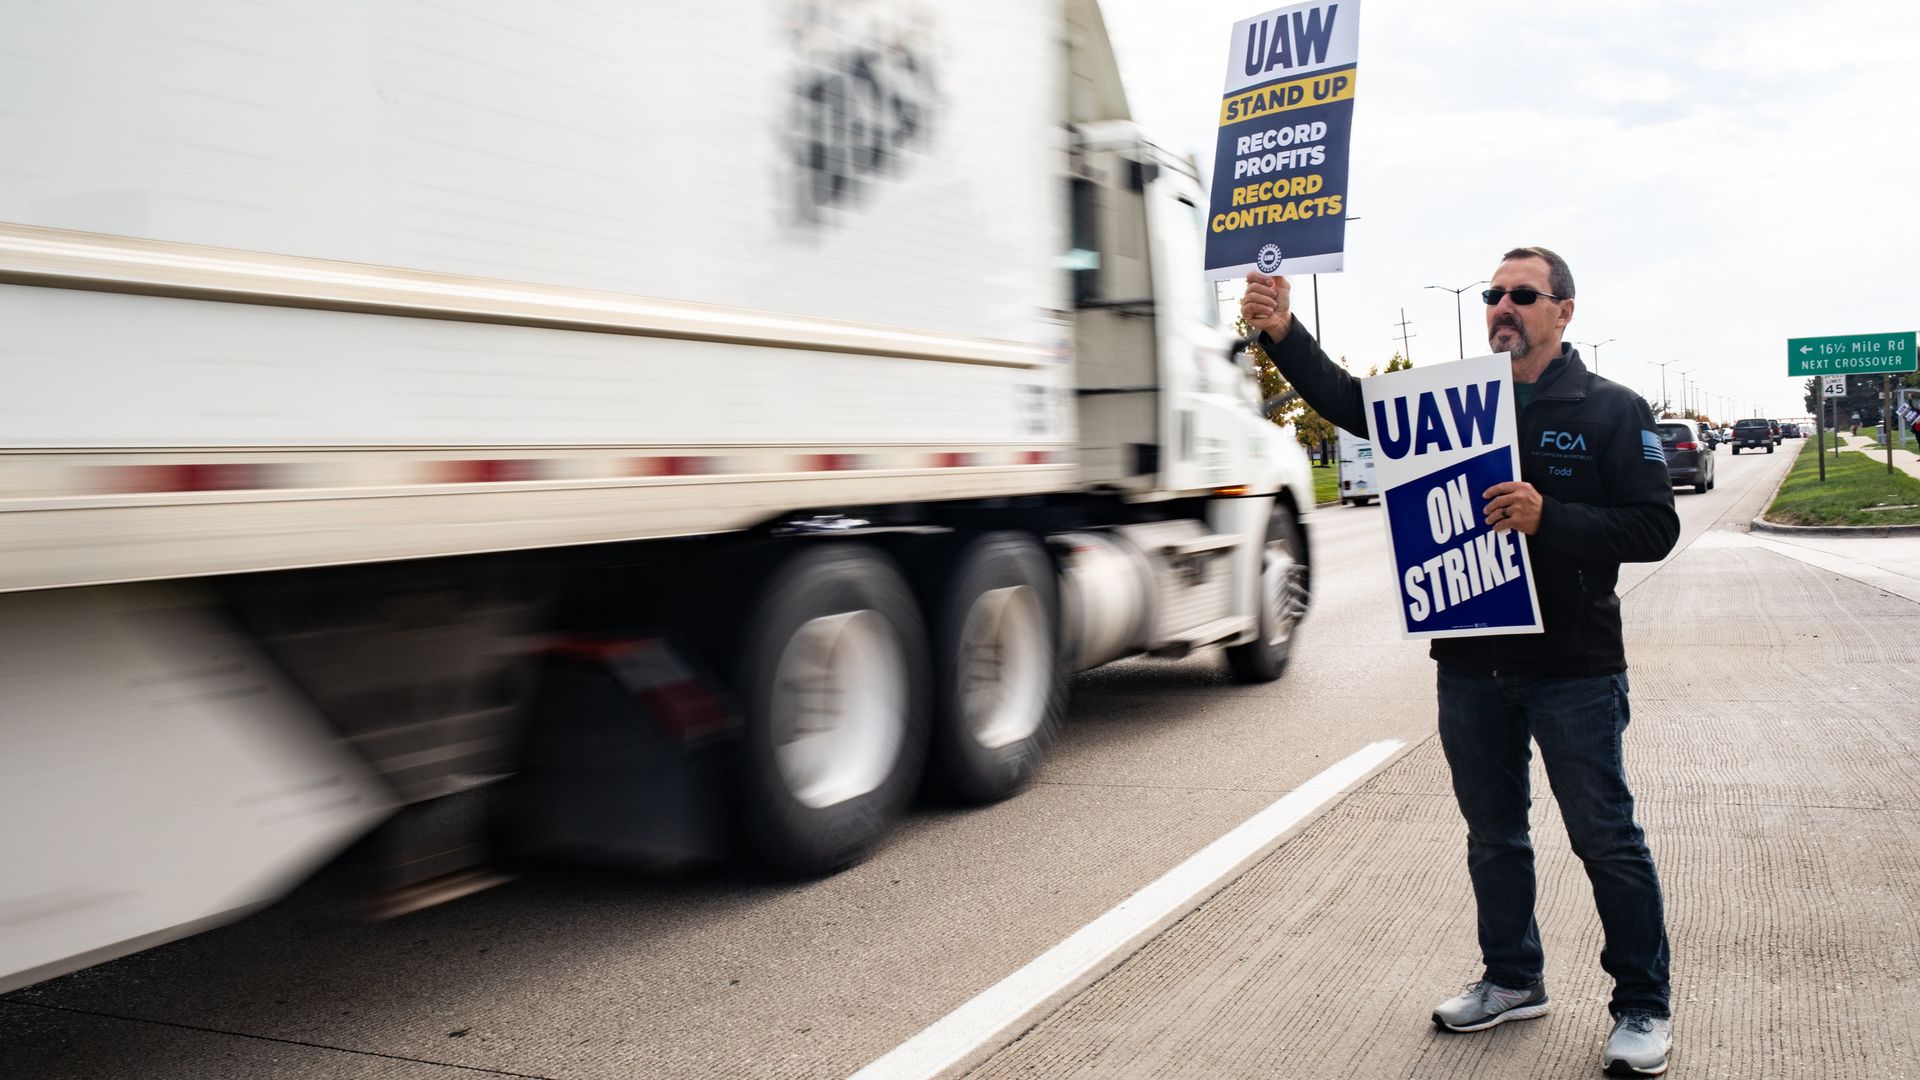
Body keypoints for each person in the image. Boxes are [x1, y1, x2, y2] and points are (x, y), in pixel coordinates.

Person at [1241, 247, 1679, 1077]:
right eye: (1494, 295)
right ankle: (1513, 978)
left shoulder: (1612, 408)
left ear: (1564, 310)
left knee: (1605, 837)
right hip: (1471, 663)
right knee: (1493, 836)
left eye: (1523, 294)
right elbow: (1349, 402)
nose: (1503, 306)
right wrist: (1282, 331)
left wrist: (1553, 518)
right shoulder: (1453, 399)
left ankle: (1642, 1005)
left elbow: (1655, 528)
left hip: (1574, 666)